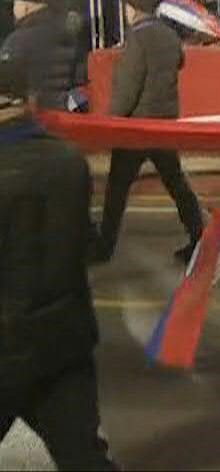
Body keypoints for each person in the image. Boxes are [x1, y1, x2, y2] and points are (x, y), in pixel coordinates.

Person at [0, 60, 116, 470]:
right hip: (65, 341)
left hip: (6, 344)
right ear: (31, 101)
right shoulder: (68, 160)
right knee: (83, 457)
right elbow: (88, 245)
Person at [91, 0, 203, 266]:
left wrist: (112, 121)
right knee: (175, 182)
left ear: (132, 10)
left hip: (137, 126)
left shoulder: (137, 38)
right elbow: (180, 62)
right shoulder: (169, 34)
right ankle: (198, 235)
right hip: (164, 123)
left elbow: (128, 87)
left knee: (117, 188)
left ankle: (104, 247)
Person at [1, 0, 84, 112]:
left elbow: (4, 80)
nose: (13, 10)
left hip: (34, 112)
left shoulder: (17, 40)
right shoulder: (67, 32)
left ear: (25, 7)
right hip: (67, 108)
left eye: (15, 5)